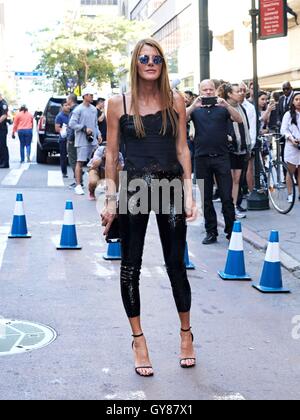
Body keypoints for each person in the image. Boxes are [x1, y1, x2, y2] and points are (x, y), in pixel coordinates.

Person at [101, 38, 198, 377]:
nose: (150, 62)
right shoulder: (118, 104)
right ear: (135, 63)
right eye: (144, 57)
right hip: (135, 189)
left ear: (162, 64)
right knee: (131, 267)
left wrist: (190, 191)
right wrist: (109, 200)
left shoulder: (176, 101)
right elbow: (112, 155)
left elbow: (183, 148)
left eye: (156, 58)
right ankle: (138, 340)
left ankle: (186, 334)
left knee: (176, 265)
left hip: (170, 185)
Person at [187, 79, 242, 245]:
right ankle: (211, 232)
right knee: (206, 199)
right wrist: (193, 105)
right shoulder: (195, 109)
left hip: (222, 158)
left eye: (211, 89)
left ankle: (231, 232)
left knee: (226, 197)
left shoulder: (222, 108)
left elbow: (239, 119)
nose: (208, 92)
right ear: (200, 90)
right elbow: (179, 118)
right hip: (201, 159)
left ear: (216, 90)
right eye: (205, 90)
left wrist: (226, 105)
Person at [219, 84, 251, 219]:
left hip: (241, 147)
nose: (241, 93)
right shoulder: (223, 108)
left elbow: (246, 127)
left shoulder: (242, 107)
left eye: (243, 91)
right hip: (228, 148)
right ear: (229, 94)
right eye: (238, 91)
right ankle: (228, 207)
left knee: (237, 179)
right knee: (229, 179)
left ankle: (233, 206)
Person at [69, 87, 101, 196]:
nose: (92, 97)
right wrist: (84, 128)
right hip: (82, 140)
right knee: (80, 162)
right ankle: (78, 185)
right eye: (90, 95)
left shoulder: (93, 109)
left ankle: (95, 184)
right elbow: (72, 124)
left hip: (93, 141)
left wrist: (98, 134)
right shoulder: (78, 109)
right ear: (85, 96)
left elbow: (95, 124)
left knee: (96, 162)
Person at [281, 92, 300, 202]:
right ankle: (290, 194)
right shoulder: (288, 114)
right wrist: (291, 139)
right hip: (291, 146)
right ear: (293, 101)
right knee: (290, 171)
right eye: (296, 99)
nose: (299, 101)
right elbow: (284, 130)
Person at [55, 101, 70, 178]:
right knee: (63, 156)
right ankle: (64, 172)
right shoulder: (59, 116)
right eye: (65, 105)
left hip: (71, 139)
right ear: (62, 107)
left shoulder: (72, 115)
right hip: (63, 139)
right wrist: (64, 129)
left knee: (72, 156)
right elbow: (57, 128)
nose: (67, 106)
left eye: (68, 105)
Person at [66, 94, 78, 188]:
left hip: (73, 139)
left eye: (67, 99)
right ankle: (78, 180)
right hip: (77, 138)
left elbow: (72, 126)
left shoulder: (74, 110)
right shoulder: (77, 108)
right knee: (77, 160)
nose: (66, 101)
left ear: (70, 100)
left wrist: (70, 138)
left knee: (73, 160)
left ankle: (78, 181)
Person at [0, 93, 9, 169]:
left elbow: (4, 115)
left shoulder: (3, 103)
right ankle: (1, 162)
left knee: (2, 145)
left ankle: (5, 163)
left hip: (2, 128)